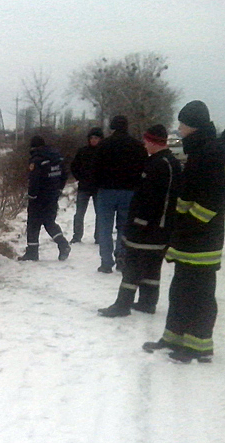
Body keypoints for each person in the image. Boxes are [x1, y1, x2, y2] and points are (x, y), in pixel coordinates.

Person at [143, 100, 225, 362]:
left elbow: (212, 199)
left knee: (199, 293)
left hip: (202, 238)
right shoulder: (201, 148)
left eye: (182, 123)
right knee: (180, 289)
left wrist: (189, 226)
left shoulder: (212, 152)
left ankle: (198, 346)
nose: (178, 129)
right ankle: (174, 336)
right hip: (189, 235)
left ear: (193, 125)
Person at [98, 124, 181, 317]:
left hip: (149, 228)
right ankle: (147, 302)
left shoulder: (161, 165)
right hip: (157, 228)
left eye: (146, 141)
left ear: (153, 141)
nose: (144, 145)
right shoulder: (165, 162)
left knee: (133, 264)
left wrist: (139, 222)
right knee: (152, 265)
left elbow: (153, 199)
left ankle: (122, 305)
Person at [93, 115, 148, 273]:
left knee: (105, 227)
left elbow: (95, 168)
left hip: (106, 191)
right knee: (124, 227)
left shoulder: (104, 145)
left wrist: (97, 186)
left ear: (112, 127)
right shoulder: (137, 146)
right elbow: (143, 168)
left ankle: (106, 261)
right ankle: (122, 257)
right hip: (129, 192)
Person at [18, 135, 71, 262]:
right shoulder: (57, 157)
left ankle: (32, 252)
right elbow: (64, 174)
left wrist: (32, 196)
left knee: (33, 224)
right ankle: (63, 245)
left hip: (39, 198)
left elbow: (34, 180)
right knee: (49, 222)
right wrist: (59, 189)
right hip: (52, 196)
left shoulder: (37, 160)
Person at [70, 127, 103, 244]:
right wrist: (80, 177)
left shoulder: (104, 152)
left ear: (100, 139)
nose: (93, 140)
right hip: (84, 187)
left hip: (98, 187)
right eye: (91, 138)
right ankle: (77, 236)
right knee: (79, 213)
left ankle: (99, 237)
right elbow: (74, 166)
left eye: (96, 138)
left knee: (100, 213)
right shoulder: (83, 151)